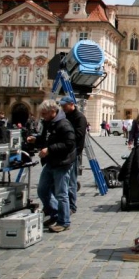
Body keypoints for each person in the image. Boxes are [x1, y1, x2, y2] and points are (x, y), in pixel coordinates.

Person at [28, 100, 76, 233]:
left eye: (44, 113)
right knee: (42, 190)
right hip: (51, 162)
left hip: (62, 163)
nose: (42, 116)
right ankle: (55, 214)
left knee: (61, 194)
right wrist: (36, 140)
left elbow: (70, 144)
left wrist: (49, 150)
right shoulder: (48, 123)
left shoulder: (64, 124)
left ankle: (64, 221)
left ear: (53, 111)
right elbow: (47, 139)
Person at [59, 96, 87, 215]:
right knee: (65, 180)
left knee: (71, 180)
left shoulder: (80, 117)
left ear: (71, 104)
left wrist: (66, 135)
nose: (63, 108)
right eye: (62, 106)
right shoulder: (64, 116)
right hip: (64, 151)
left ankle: (72, 206)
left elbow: (79, 135)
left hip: (74, 151)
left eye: (65, 105)